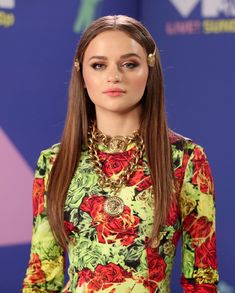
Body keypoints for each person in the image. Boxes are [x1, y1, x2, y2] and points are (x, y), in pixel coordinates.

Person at [22, 15, 219, 292]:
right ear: (81, 72)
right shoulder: (54, 162)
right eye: (99, 65)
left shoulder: (184, 159)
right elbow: (42, 279)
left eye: (129, 64)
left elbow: (201, 279)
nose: (113, 76)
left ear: (149, 69)